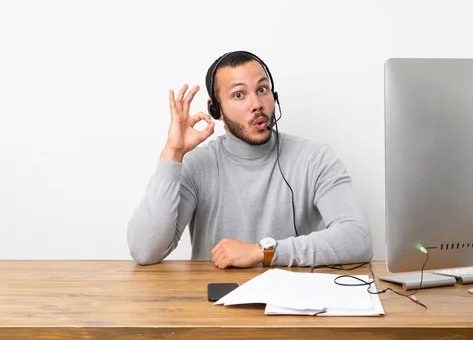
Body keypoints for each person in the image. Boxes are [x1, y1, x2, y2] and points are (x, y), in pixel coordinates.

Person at [127, 50, 373, 269]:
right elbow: (145, 251)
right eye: (239, 95)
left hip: (292, 307)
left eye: (262, 90)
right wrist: (173, 153)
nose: (256, 104)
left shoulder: (315, 159)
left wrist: (262, 252)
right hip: (213, 307)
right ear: (217, 110)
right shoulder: (197, 165)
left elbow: (358, 238)